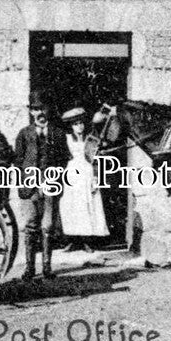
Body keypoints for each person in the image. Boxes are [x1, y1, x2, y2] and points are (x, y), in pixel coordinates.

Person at [13, 92, 71, 280]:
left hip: (50, 186)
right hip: (29, 188)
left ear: (48, 110)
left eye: (42, 108)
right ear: (30, 112)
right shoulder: (24, 134)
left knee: (48, 226)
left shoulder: (58, 134)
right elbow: (18, 160)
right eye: (35, 109)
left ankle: (47, 267)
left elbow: (64, 159)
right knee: (30, 226)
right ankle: (30, 268)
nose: (39, 113)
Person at [57, 106, 109, 252]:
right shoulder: (66, 139)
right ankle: (73, 240)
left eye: (81, 123)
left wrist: (95, 178)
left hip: (87, 174)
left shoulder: (91, 139)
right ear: (70, 126)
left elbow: (95, 160)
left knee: (87, 205)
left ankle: (87, 241)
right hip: (72, 174)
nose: (79, 127)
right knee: (71, 206)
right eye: (75, 124)